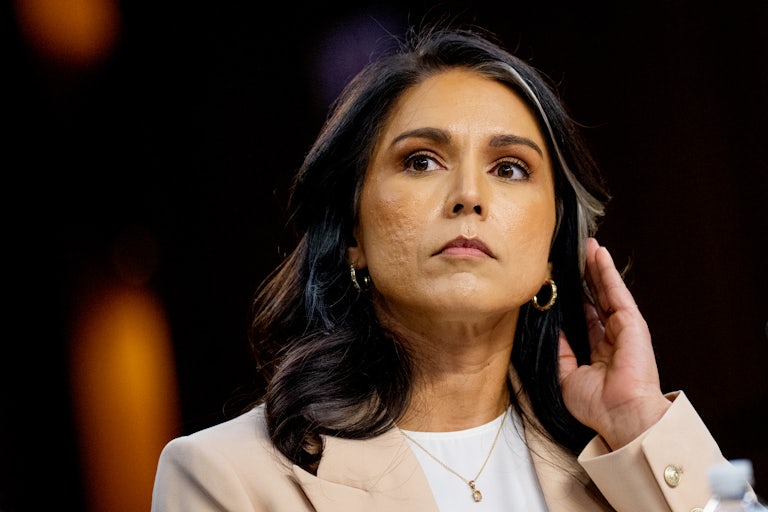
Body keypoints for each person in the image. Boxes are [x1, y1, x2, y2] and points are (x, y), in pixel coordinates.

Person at [151, 24, 731, 511]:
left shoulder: (621, 463)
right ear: (353, 233)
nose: (468, 196)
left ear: (556, 242)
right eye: (421, 161)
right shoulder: (225, 477)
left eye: (509, 168)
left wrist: (640, 421)